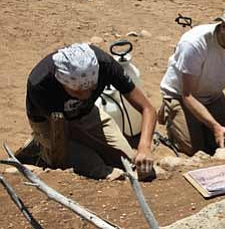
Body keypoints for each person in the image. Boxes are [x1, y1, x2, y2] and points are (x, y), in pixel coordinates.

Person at [25, 43, 157, 179]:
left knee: (128, 162)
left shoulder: (105, 65)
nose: (86, 95)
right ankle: (40, 147)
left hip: (87, 112)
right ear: (62, 82)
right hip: (52, 123)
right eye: (77, 92)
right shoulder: (41, 83)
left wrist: (144, 147)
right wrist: (107, 152)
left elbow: (148, 109)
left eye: (92, 88)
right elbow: (68, 131)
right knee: (97, 168)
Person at [159, 1, 225, 156]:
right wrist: (215, 126)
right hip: (181, 96)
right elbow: (187, 95)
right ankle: (169, 112)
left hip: (213, 95)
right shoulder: (194, 44)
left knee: (223, 143)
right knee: (194, 150)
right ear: (223, 27)